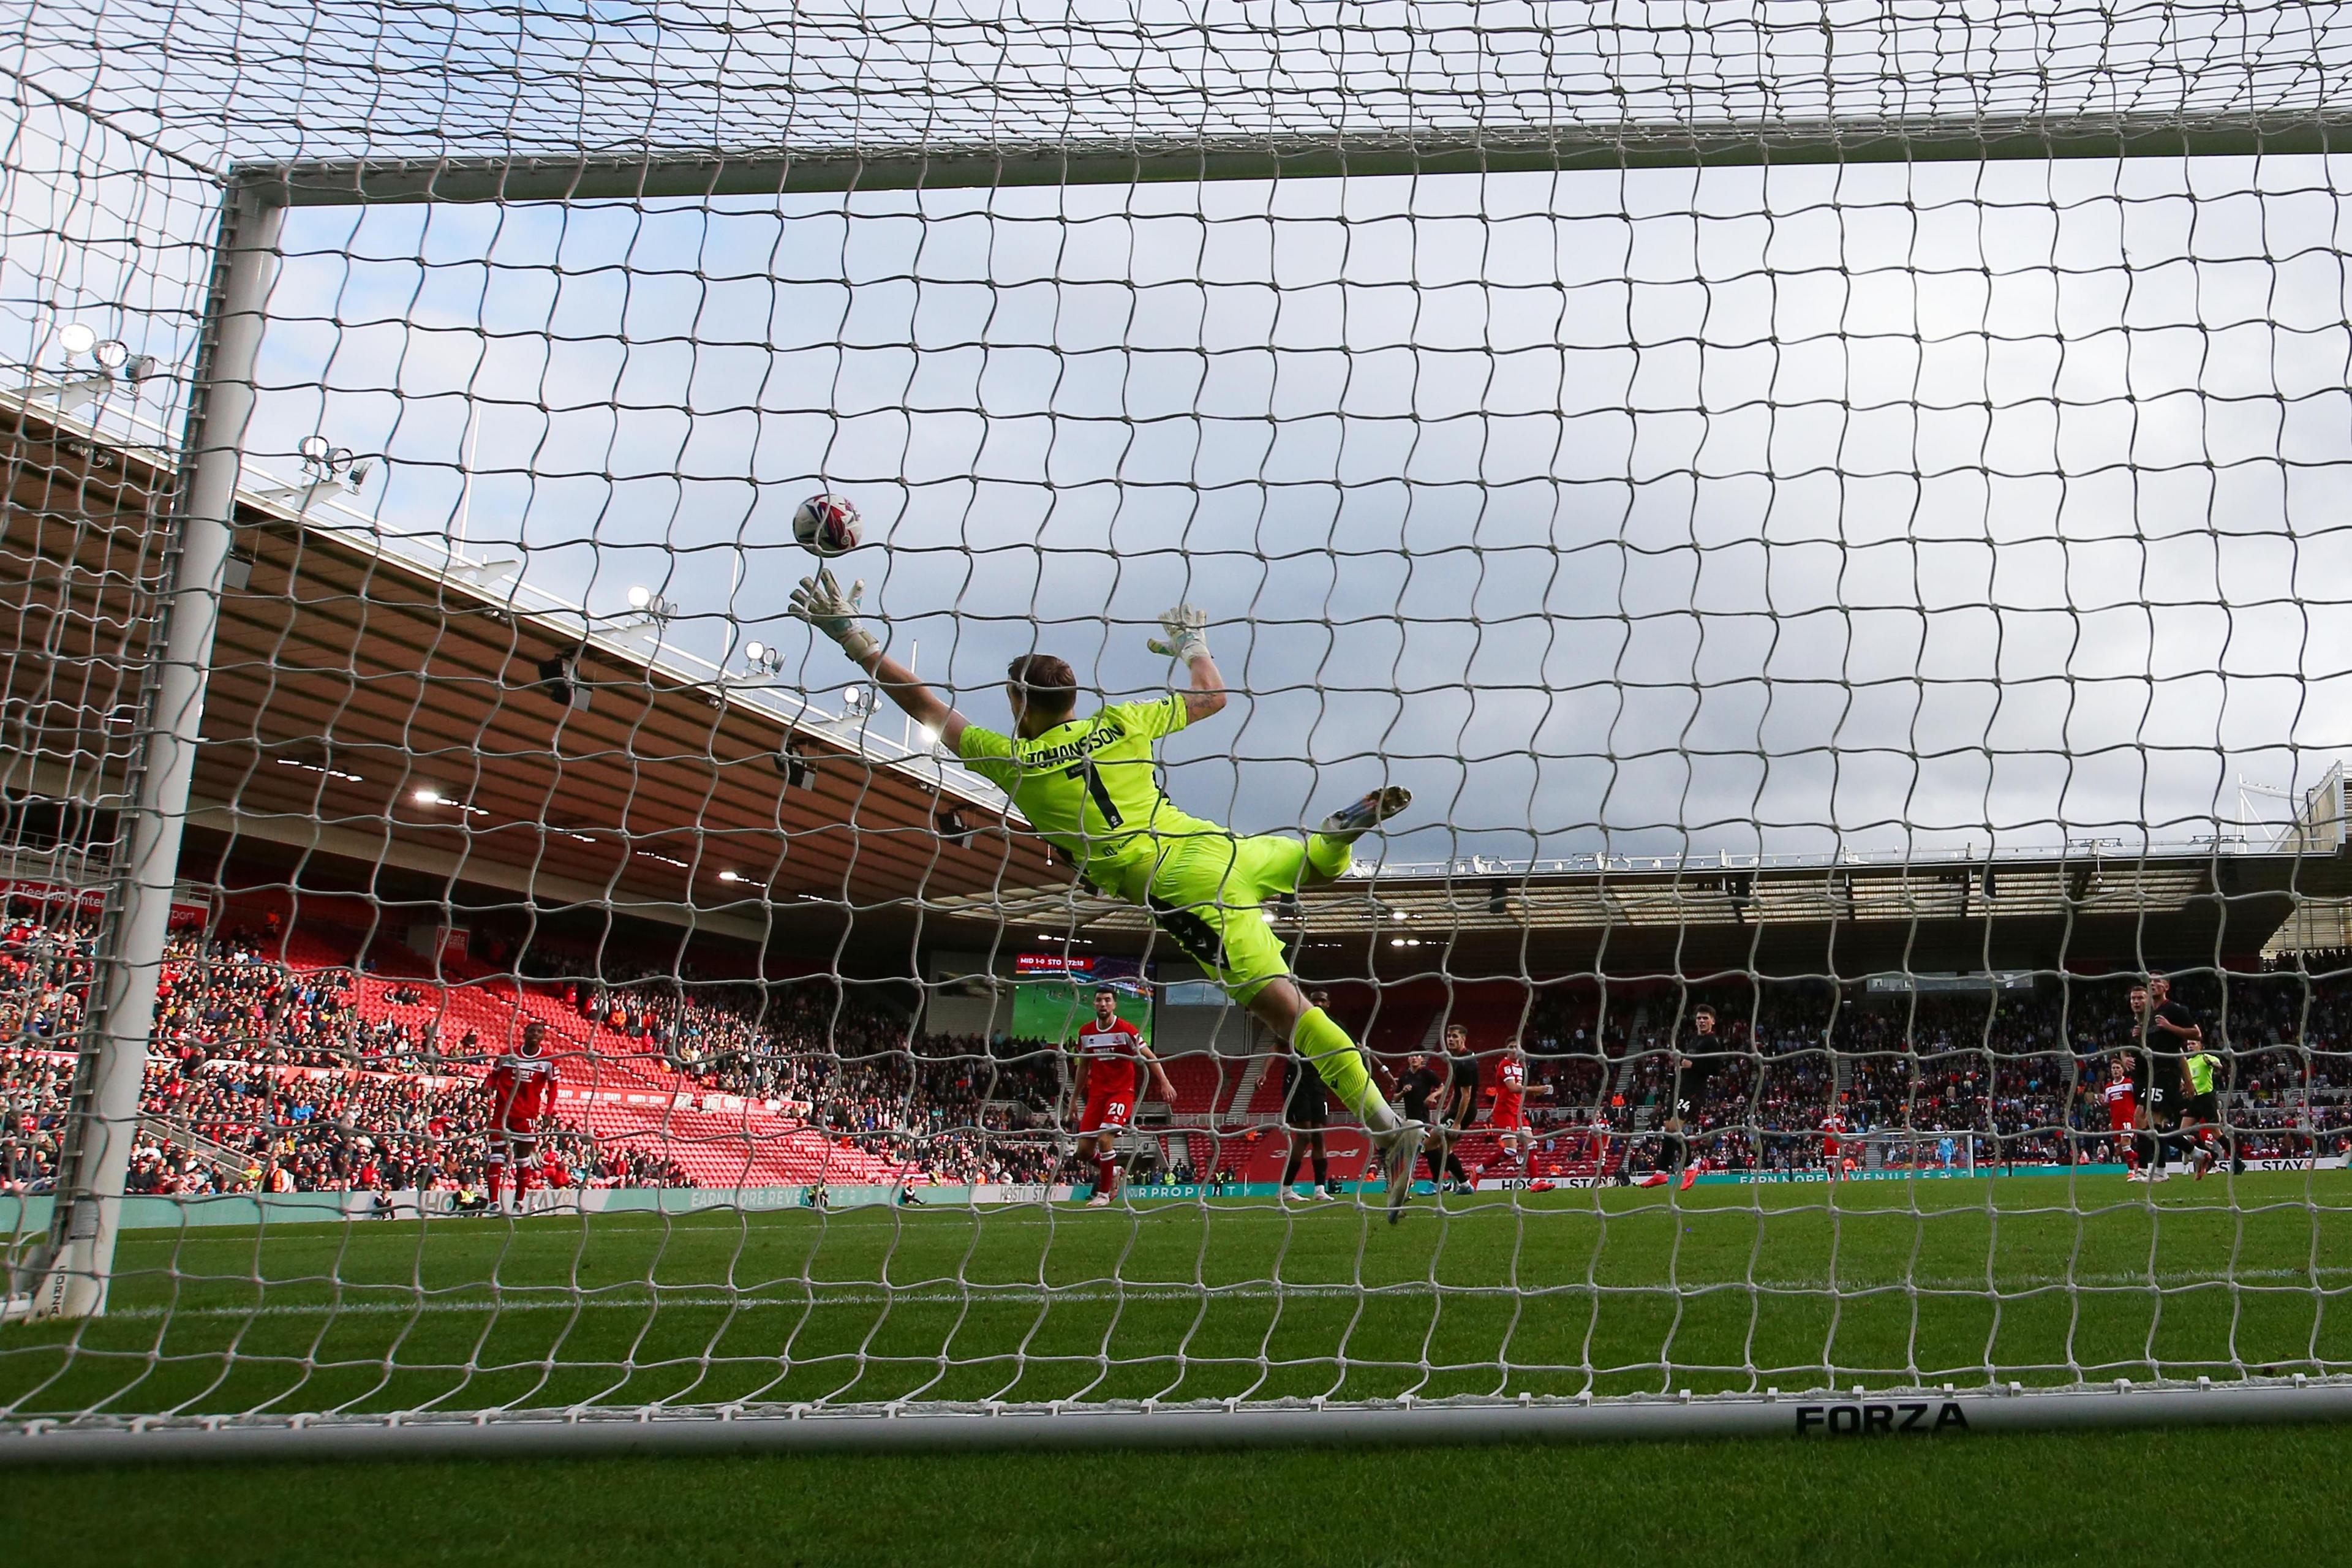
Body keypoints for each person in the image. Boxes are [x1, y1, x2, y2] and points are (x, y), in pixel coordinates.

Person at [790, 570, 1427, 1212]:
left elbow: (924, 703)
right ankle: (1339, 834)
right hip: (1217, 844)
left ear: (1018, 703)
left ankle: (1387, 1127)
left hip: (1178, 886)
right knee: (1314, 870)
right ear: (1073, 698)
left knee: (1285, 1014)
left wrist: (853, 638)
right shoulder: (1124, 721)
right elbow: (1212, 699)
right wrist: (1193, 644)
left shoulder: (1009, 758)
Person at [1069, 984, 1177, 1207]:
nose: (1103, 1004)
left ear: (1115, 1004)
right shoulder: (1086, 1033)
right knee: (1084, 1152)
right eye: (1099, 1000)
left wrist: (1164, 1081)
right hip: (1097, 1095)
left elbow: (1149, 1055)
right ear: (1094, 1003)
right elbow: (1083, 1067)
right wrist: (1074, 1098)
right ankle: (1114, 1169)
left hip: (1121, 1092)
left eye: (1108, 1000)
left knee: (1105, 1139)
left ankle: (1104, 1194)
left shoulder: (1126, 1031)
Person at [481, 1020, 558, 1214]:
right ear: (524, 1034)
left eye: (539, 1032)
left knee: (523, 1158)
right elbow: (494, 1075)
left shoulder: (549, 1061)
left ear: (543, 1037)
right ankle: (493, 1203)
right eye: (531, 1031)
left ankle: (519, 1202)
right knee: (496, 1158)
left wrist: (548, 1112)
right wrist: (487, 1085)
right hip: (502, 1114)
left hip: (527, 1116)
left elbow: (553, 1088)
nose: (535, 1034)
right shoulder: (508, 1054)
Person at [2130, 976, 2198, 1182]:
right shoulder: (2142, 1022)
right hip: (2144, 1078)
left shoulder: (2168, 1013)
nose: (2137, 1002)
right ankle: (2195, 1154)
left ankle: (2147, 1169)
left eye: (2141, 997)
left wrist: (2187, 1080)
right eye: (2134, 998)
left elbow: (2184, 1043)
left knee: (2143, 1117)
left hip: (2164, 1075)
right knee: (2152, 1123)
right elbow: (2127, 1052)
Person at [1280, 990, 1339, 1204]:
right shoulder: (1299, 1023)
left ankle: (1320, 1189)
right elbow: (1278, 1044)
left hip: (1318, 1085)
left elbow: (1350, 1045)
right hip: (1297, 1082)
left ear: (1328, 1004)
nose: (1318, 1003)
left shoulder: (1333, 1025)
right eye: (1314, 1000)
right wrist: (1263, 1072)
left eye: (1322, 1000)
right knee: (1304, 1135)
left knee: (1319, 1136)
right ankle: (1286, 1189)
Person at [1429, 1023, 1481, 1193]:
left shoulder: (1465, 1063)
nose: (1450, 1040)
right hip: (1458, 1108)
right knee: (1445, 1149)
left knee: (1428, 1144)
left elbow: (1466, 1095)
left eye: (1455, 1037)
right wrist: (1449, 1106)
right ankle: (1465, 1185)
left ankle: (1437, 1184)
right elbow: (1458, 1089)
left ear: (1463, 1039)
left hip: (1464, 1111)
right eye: (1449, 1036)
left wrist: (1457, 1122)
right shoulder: (1458, 1058)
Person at [1488, 1039, 1552, 1175]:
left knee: (1532, 1144)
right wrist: (1537, 1089)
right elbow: (1512, 1088)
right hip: (1505, 1111)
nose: (1513, 1050)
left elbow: (1502, 1091)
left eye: (1516, 1047)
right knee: (1511, 1150)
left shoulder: (1520, 1067)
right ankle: (1478, 1170)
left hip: (1517, 1110)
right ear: (1506, 1050)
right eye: (1511, 1047)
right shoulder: (1505, 1064)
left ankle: (1535, 1181)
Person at [2105, 1048, 2144, 1180]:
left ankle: (2132, 1171)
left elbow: (2138, 1097)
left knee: (2125, 1143)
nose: (2115, 1070)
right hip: (2116, 1120)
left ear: (2123, 1070)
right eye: (2113, 1068)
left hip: (2128, 1118)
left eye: (2118, 1068)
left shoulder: (2129, 1083)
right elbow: (2107, 1103)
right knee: (2119, 1150)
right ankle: (2141, 1158)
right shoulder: (2108, 1087)